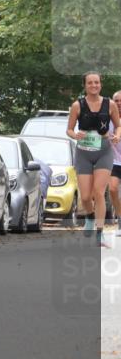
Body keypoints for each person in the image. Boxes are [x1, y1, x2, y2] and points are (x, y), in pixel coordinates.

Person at [66, 73, 121, 247]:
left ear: (101, 85)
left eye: (96, 82)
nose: (94, 85)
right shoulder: (77, 105)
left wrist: (117, 136)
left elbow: (118, 125)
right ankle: (89, 217)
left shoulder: (110, 104)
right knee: (85, 196)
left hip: (104, 151)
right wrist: (75, 134)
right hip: (83, 152)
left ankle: (99, 233)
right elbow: (69, 129)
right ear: (85, 85)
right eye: (90, 82)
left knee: (99, 192)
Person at [110, 91, 121, 229]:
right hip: (113, 161)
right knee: (112, 189)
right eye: (116, 100)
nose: (119, 103)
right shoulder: (108, 118)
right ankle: (119, 216)